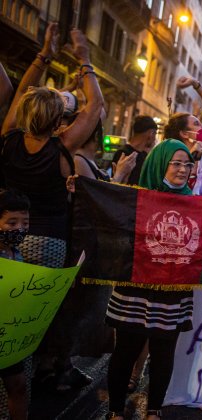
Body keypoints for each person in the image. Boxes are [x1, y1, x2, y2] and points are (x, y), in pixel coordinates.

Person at [0, 25, 104, 389]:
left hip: (8, 236)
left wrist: (43, 55)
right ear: (57, 119)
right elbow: (97, 106)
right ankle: (29, 380)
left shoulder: (9, 141)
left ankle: (11, 377)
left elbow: (13, 100)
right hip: (49, 242)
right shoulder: (62, 148)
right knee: (33, 318)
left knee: (6, 313)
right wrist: (85, 59)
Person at [105, 139, 196, 420]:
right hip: (135, 286)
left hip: (173, 287)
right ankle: (115, 410)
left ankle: (154, 409)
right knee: (126, 349)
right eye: (176, 163)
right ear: (160, 164)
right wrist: (111, 180)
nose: (183, 170)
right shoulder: (136, 196)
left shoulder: (196, 203)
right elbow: (108, 213)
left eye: (187, 164)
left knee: (164, 350)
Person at [0, 190, 30, 420]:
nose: (19, 228)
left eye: (25, 222)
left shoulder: (17, 254)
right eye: (12, 222)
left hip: (10, 336)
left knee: (18, 386)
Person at [112, 115, 157, 185]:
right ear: (151, 133)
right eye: (155, 134)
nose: (154, 139)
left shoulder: (144, 155)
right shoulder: (124, 154)